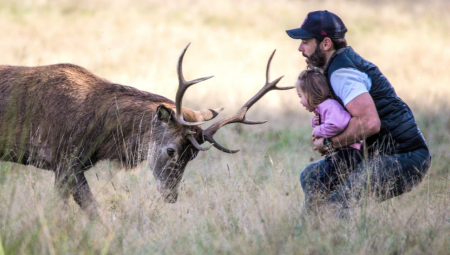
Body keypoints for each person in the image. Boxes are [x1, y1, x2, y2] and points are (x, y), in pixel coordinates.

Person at [286, 10, 431, 213]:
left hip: (403, 156)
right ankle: (309, 232)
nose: (300, 48)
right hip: (381, 154)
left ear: (326, 44)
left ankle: (334, 237)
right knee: (311, 176)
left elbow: (370, 122)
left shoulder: (342, 73)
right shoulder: (337, 66)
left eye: (306, 42)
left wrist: (329, 143)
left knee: (337, 206)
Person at [296, 67, 364, 212]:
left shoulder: (329, 106)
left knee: (322, 187)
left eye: (300, 96)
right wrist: (315, 123)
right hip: (341, 154)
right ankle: (317, 215)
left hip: (347, 154)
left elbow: (338, 123)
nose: (300, 101)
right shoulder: (323, 108)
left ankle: (313, 216)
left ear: (311, 94)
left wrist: (318, 130)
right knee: (320, 183)